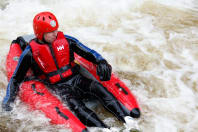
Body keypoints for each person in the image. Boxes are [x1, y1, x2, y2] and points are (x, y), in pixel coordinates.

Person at [2, 11, 133, 128]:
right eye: (51, 32)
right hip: (59, 87)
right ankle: (105, 129)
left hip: (76, 79)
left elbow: (88, 52)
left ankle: (127, 120)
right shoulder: (30, 52)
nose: (55, 33)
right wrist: (8, 100)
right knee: (77, 107)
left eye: (56, 30)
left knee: (100, 89)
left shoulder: (67, 40)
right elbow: (16, 78)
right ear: (41, 33)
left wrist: (101, 61)